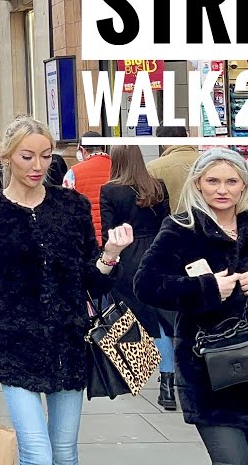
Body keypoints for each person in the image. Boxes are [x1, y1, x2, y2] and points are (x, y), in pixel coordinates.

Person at [0, 116, 134, 465]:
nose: (38, 165)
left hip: (67, 343)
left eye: (45, 155)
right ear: (7, 156)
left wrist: (111, 256)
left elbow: (92, 280)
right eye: (27, 156)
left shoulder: (72, 207)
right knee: (38, 455)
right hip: (13, 346)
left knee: (65, 453)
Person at [135, 148, 248, 465]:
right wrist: (207, 288)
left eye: (231, 181)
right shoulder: (181, 229)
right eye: (212, 180)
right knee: (231, 460)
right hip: (208, 370)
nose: (222, 189)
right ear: (198, 184)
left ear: (245, 185)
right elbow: (146, 284)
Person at [97, 145, 176, 410]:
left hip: (127, 254)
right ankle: (167, 383)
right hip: (157, 252)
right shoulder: (157, 186)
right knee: (162, 318)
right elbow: (167, 222)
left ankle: (134, 368)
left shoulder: (110, 190)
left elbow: (109, 230)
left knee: (128, 313)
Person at [62, 132, 112, 243]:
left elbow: (65, 207)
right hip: (116, 237)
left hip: (88, 237)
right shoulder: (118, 168)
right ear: (104, 147)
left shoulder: (73, 173)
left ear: (83, 150)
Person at [148, 125, 200, 208]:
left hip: (169, 219)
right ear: (186, 135)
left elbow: (150, 200)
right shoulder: (205, 161)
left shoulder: (153, 167)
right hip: (203, 218)